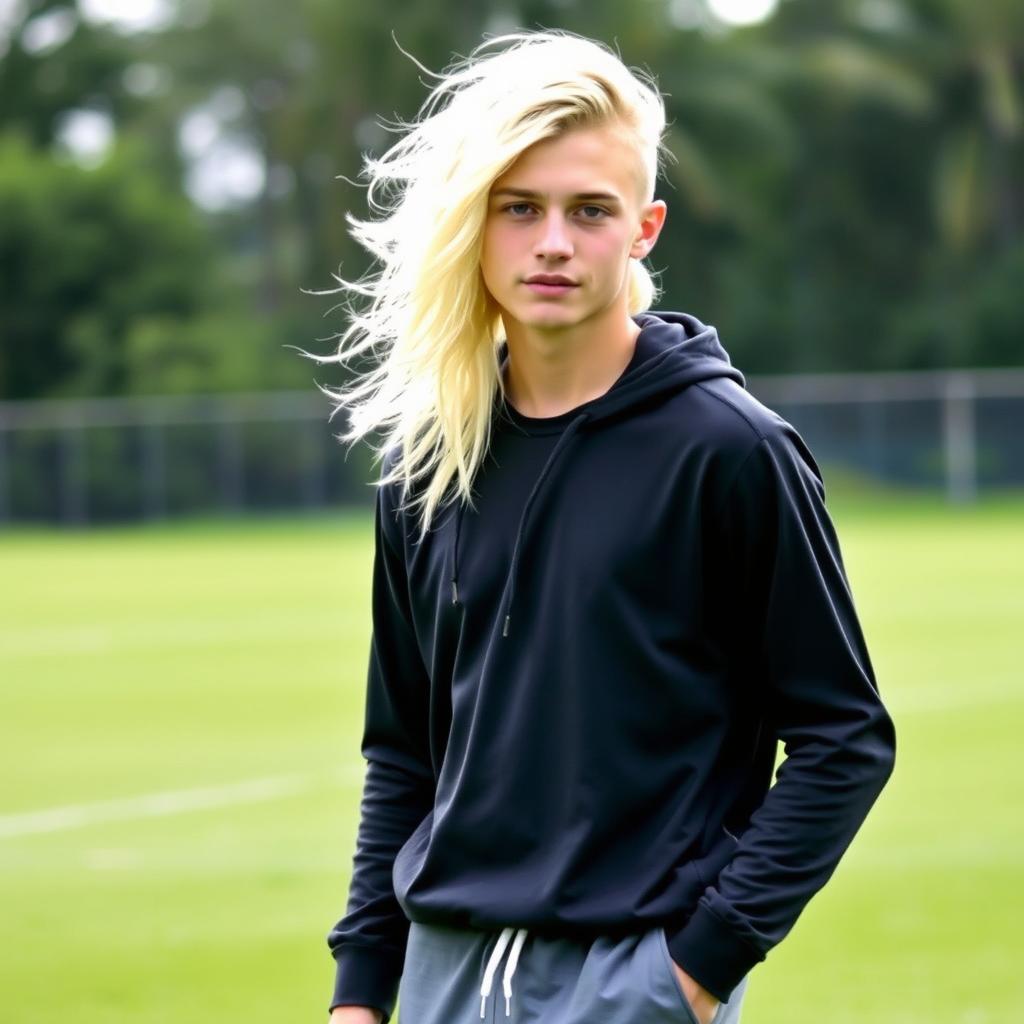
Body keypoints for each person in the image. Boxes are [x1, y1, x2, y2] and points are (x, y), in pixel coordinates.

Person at [318, 28, 897, 1024]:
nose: (552, 241)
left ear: (644, 228)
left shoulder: (729, 452)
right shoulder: (427, 463)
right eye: (519, 208)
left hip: (629, 985)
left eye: (589, 211)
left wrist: (695, 971)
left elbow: (844, 737)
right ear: (477, 222)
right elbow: (405, 751)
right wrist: (361, 992)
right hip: (437, 979)